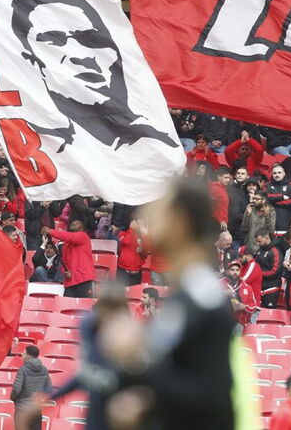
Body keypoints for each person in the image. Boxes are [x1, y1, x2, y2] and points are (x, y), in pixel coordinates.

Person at [99, 179, 237, 429]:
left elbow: (211, 398)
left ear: (179, 221)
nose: (148, 216)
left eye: (158, 208)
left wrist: (137, 360)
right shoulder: (185, 294)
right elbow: (176, 379)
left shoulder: (204, 300)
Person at [10, 0, 177, 151]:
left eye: (91, 38)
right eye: (55, 41)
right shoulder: (28, 143)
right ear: (31, 60)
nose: (82, 56)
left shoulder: (160, 144)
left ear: (117, 49)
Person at [43, 219, 96, 298]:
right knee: (66, 305)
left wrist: (51, 232)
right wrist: (65, 272)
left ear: (82, 228)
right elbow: (64, 261)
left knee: (85, 305)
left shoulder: (83, 236)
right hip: (70, 281)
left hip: (84, 279)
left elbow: (69, 236)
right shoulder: (66, 244)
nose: (73, 224)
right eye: (72, 223)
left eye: (77, 223)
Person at [11, 345, 52, 430]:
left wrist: (13, 398)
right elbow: (49, 389)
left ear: (28, 355)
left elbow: (16, 389)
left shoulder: (22, 370)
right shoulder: (44, 370)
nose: (22, 355)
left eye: (24, 353)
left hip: (22, 410)